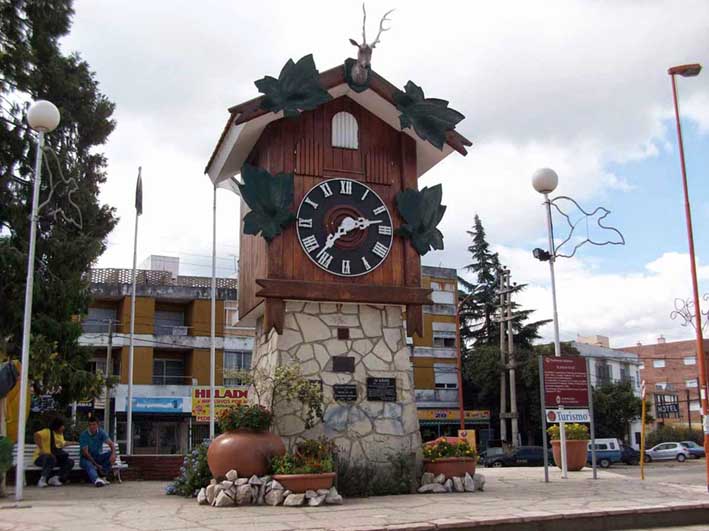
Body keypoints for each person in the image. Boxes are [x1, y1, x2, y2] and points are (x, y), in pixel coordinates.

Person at [33, 417, 74, 488]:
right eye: (62, 426)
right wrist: (41, 449)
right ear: (57, 426)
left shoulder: (60, 435)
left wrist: (75, 443)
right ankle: (42, 480)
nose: (63, 428)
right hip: (41, 458)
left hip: (54, 458)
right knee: (51, 457)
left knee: (69, 461)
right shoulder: (47, 432)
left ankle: (55, 478)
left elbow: (63, 443)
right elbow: (36, 435)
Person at [79, 415, 116, 487]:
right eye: (90, 425)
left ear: (98, 425)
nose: (92, 427)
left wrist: (113, 454)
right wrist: (96, 465)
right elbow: (86, 453)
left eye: (94, 424)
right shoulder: (84, 435)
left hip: (97, 456)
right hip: (86, 458)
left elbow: (111, 444)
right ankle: (96, 480)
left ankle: (103, 476)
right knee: (89, 465)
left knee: (111, 454)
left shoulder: (101, 432)